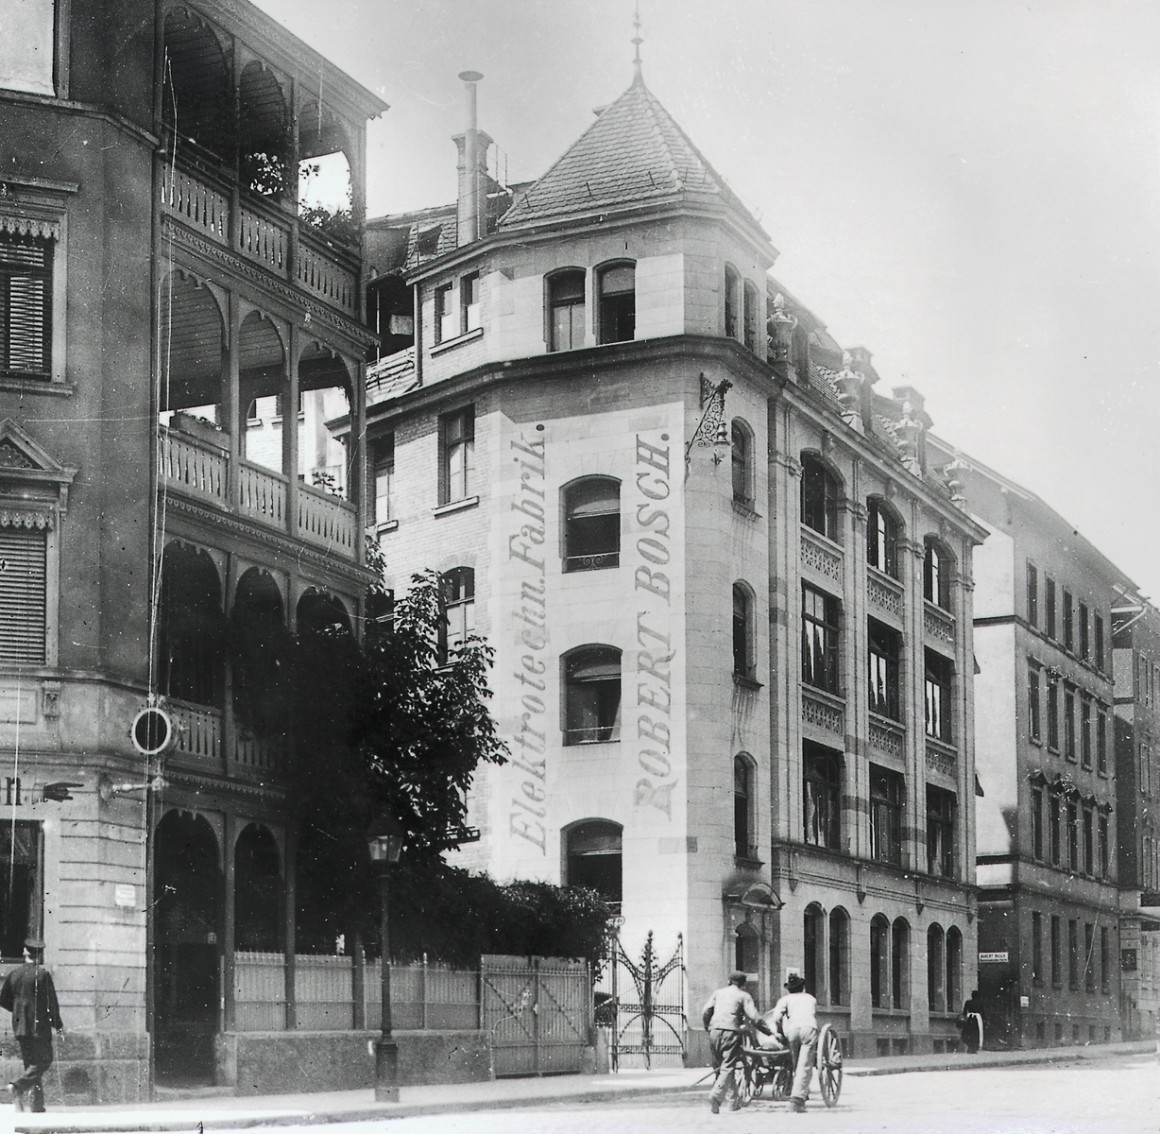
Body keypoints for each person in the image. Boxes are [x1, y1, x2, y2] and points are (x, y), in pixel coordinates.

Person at [0, 938, 64, 1112]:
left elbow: (3, 999)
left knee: (31, 1065)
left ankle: (37, 1105)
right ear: (40, 955)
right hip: (39, 1027)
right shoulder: (43, 975)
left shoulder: (14, 974)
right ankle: (18, 1086)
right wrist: (58, 1025)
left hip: (20, 1027)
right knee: (44, 1059)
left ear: (24, 953)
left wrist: (18, 1012)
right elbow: (52, 1004)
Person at [701, 970, 770, 1114]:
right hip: (731, 1032)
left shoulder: (718, 993)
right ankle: (715, 1095)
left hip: (714, 1030)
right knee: (727, 1066)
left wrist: (707, 1026)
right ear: (743, 984)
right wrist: (768, 1032)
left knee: (722, 1066)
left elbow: (706, 1010)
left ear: (729, 981)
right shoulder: (744, 996)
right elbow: (755, 1017)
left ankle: (733, 1102)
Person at [770, 972, 818, 1113]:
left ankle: (800, 1091)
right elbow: (813, 1014)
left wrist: (780, 1033)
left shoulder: (785, 1000)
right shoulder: (810, 998)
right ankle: (797, 1100)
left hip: (792, 1030)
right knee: (805, 1064)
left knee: (796, 1063)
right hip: (808, 1028)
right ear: (802, 987)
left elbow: (776, 1018)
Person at [959, 989, 984, 1053]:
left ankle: (970, 1047)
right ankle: (974, 1048)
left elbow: (964, 1011)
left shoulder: (968, 1002)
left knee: (968, 1032)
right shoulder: (980, 1002)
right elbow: (983, 1012)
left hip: (970, 1018)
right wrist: (985, 1019)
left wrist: (964, 1018)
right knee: (976, 1033)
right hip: (977, 1019)